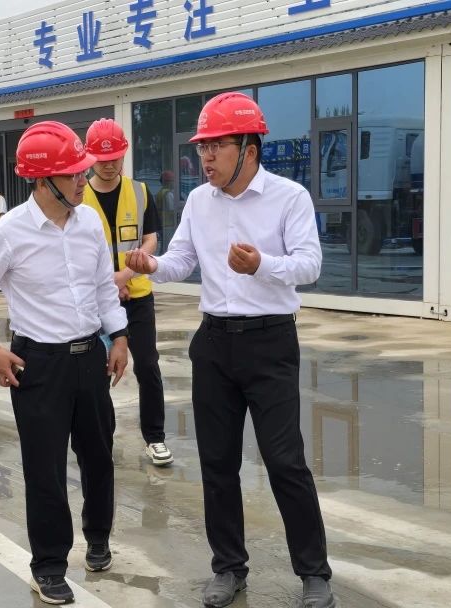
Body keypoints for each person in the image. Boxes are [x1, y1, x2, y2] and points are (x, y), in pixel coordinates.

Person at [125, 93, 336, 608]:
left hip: (270, 343)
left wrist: (262, 264)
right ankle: (228, 567)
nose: (205, 157)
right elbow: (181, 260)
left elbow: (310, 265)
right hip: (214, 344)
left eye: (216, 146)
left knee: (285, 461)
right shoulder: (200, 202)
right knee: (217, 463)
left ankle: (314, 574)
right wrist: (152, 267)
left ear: (248, 148)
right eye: (202, 148)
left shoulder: (288, 197)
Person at [0, 120, 129, 605]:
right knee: (45, 468)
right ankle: (49, 566)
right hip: (39, 365)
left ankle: (98, 538)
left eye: (82, 170)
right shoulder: (8, 233)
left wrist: (119, 336)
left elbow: (103, 287)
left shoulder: (89, 222)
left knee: (99, 456)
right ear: (43, 179)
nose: (83, 179)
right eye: (73, 173)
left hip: (90, 357)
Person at [82, 118, 172, 467]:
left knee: (147, 365)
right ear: (91, 157)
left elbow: (151, 239)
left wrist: (125, 275)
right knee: (99, 371)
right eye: (103, 159)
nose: (109, 165)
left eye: (115, 158)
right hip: (96, 302)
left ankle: (155, 437)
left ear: (124, 154)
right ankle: (102, 438)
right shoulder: (78, 196)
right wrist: (108, 283)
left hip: (137, 296)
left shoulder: (140, 191)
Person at [155, 170, 176, 249]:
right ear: (168, 182)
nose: (173, 183)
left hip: (162, 224)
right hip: (169, 225)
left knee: (163, 247)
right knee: (168, 246)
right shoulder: (168, 194)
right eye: (172, 181)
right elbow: (172, 208)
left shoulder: (160, 192)